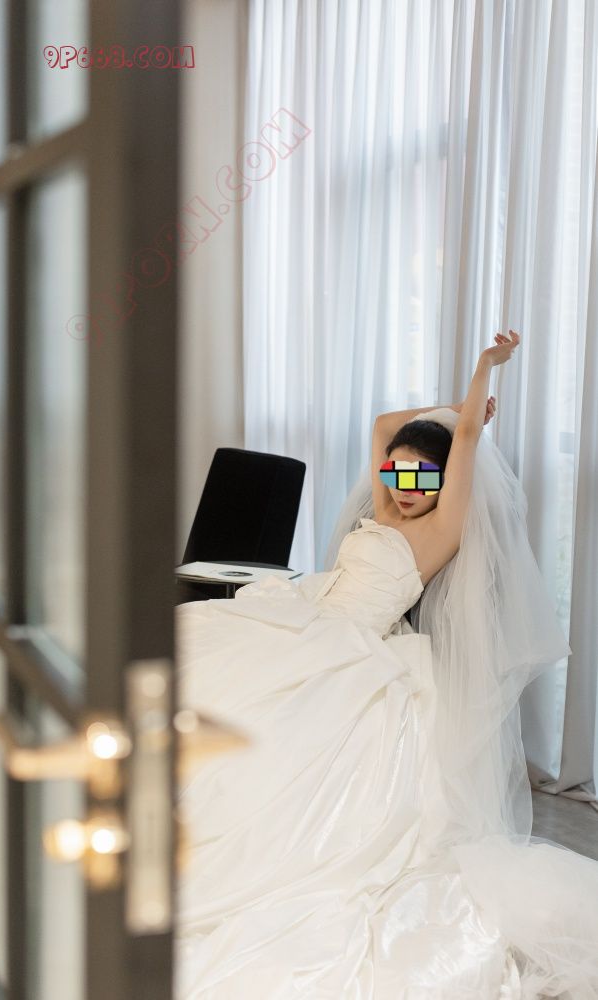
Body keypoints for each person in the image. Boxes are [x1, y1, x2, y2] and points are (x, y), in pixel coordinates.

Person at [176, 331, 598, 999]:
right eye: (396, 474)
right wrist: (446, 408)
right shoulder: (383, 505)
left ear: (442, 483)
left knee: (274, 727)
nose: (404, 488)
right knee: (204, 666)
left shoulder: (441, 528)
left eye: (420, 478)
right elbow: (382, 424)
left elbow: (463, 443)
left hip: (355, 642)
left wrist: (480, 380)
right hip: (309, 613)